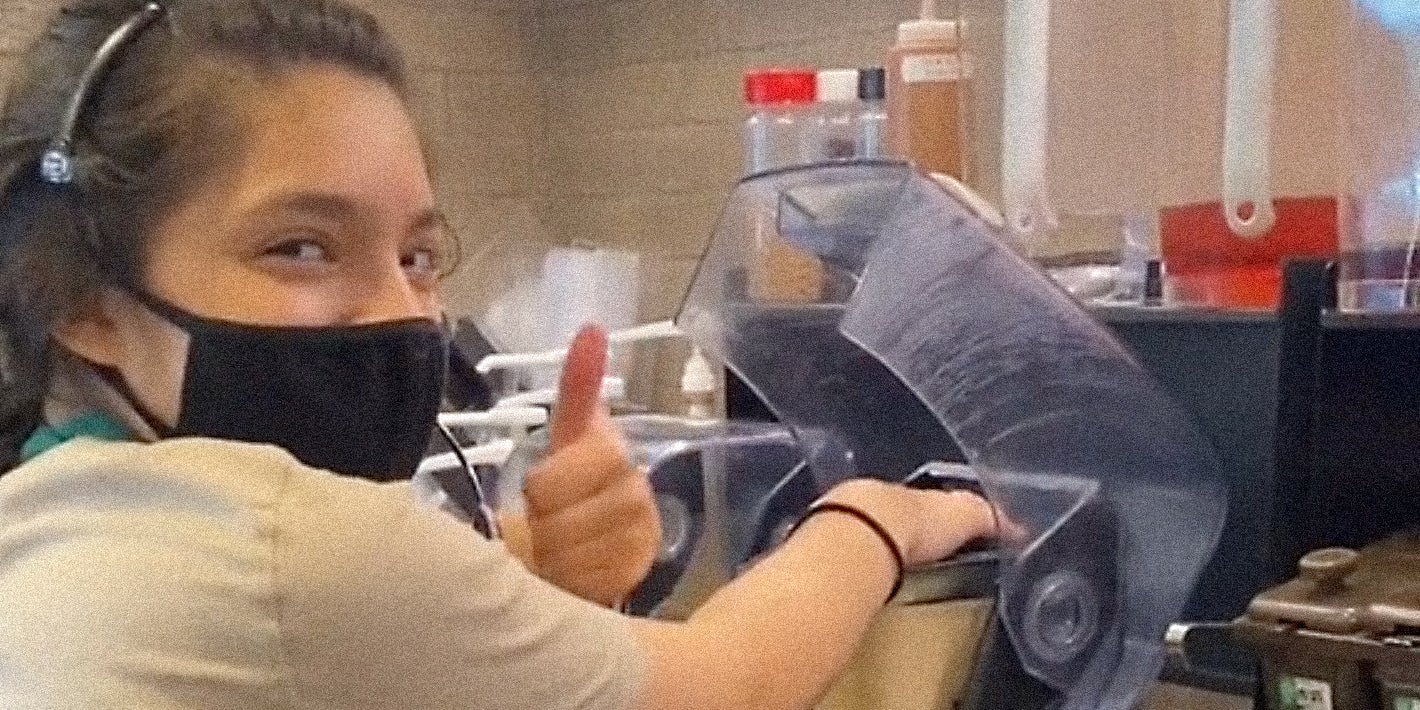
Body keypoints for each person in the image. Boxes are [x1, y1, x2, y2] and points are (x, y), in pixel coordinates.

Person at [0, 1, 999, 708]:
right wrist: (881, 512)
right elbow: (731, 682)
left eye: (419, 254)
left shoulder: (63, 502)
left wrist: (527, 572)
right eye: (299, 245)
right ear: (79, 292)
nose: (400, 312)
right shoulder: (280, 540)